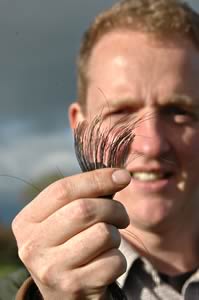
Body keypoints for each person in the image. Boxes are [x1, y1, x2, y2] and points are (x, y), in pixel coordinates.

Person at [4, 0, 199, 299]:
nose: (152, 144)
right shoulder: (19, 292)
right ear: (78, 124)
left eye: (178, 110)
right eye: (121, 110)